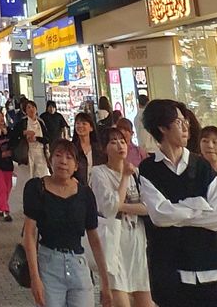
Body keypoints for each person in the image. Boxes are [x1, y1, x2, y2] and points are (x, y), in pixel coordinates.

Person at [139, 98, 217, 306]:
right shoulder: (149, 169)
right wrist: (197, 205)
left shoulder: (201, 166)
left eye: (186, 121)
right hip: (168, 269)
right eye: (178, 122)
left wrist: (176, 214)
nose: (186, 127)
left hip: (210, 268)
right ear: (162, 128)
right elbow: (159, 215)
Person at [23, 138, 113, 307]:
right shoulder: (36, 188)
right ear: (51, 160)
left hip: (78, 265)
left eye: (69, 157)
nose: (63, 161)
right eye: (58, 155)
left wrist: (105, 283)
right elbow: (29, 234)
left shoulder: (85, 194)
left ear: (76, 165)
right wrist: (35, 278)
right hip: (48, 263)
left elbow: (94, 239)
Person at [90, 126, 152, 307]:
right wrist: (124, 177)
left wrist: (122, 207)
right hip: (114, 248)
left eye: (122, 141)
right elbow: (109, 208)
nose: (120, 145)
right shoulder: (99, 173)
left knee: (147, 302)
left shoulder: (137, 174)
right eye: (113, 141)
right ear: (104, 148)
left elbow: (149, 207)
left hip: (138, 246)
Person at [18, 100, 49, 180]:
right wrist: (24, 132)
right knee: (27, 177)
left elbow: (47, 139)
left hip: (40, 153)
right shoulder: (22, 123)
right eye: (28, 107)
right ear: (25, 111)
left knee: (41, 176)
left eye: (33, 107)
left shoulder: (40, 123)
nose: (31, 109)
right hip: (26, 153)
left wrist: (36, 138)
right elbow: (14, 135)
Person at [73, 111, 105, 185]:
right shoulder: (72, 148)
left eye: (84, 123)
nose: (80, 126)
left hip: (98, 188)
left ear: (91, 128)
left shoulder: (99, 148)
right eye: (77, 123)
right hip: (78, 190)